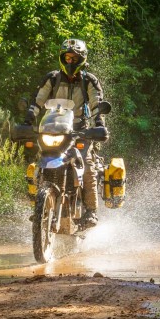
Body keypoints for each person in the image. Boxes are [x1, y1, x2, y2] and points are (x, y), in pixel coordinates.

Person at [24, 38, 105, 227]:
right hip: (53, 128)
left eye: (74, 58)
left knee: (87, 164)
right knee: (39, 164)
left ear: (82, 60)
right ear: (62, 58)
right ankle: (40, 206)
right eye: (67, 57)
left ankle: (91, 212)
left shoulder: (89, 80)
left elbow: (97, 104)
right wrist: (28, 119)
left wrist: (99, 123)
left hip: (80, 131)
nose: (70, 62)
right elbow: (37, 101)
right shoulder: (52, 78)